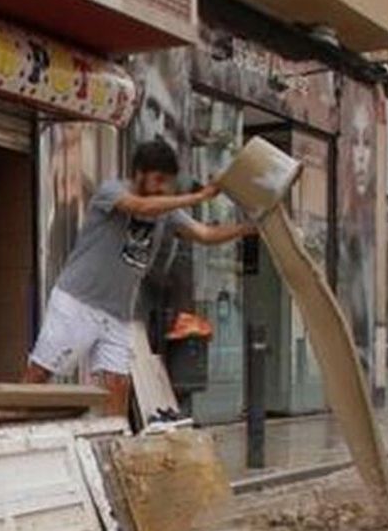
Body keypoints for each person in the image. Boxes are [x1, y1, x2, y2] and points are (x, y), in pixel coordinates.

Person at [25, 139, 254, 416]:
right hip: (78, 301)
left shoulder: (167, 210)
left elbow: (204, 234)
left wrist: (247, 228)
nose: (163, 188)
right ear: (139, 173)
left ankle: (115, 442)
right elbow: (140, 207)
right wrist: (200, 197)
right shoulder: (112, 191)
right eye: (158, 179)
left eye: (168, 182)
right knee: (41, 373)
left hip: (117, 312)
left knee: (118, 383)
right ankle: (11, 428)